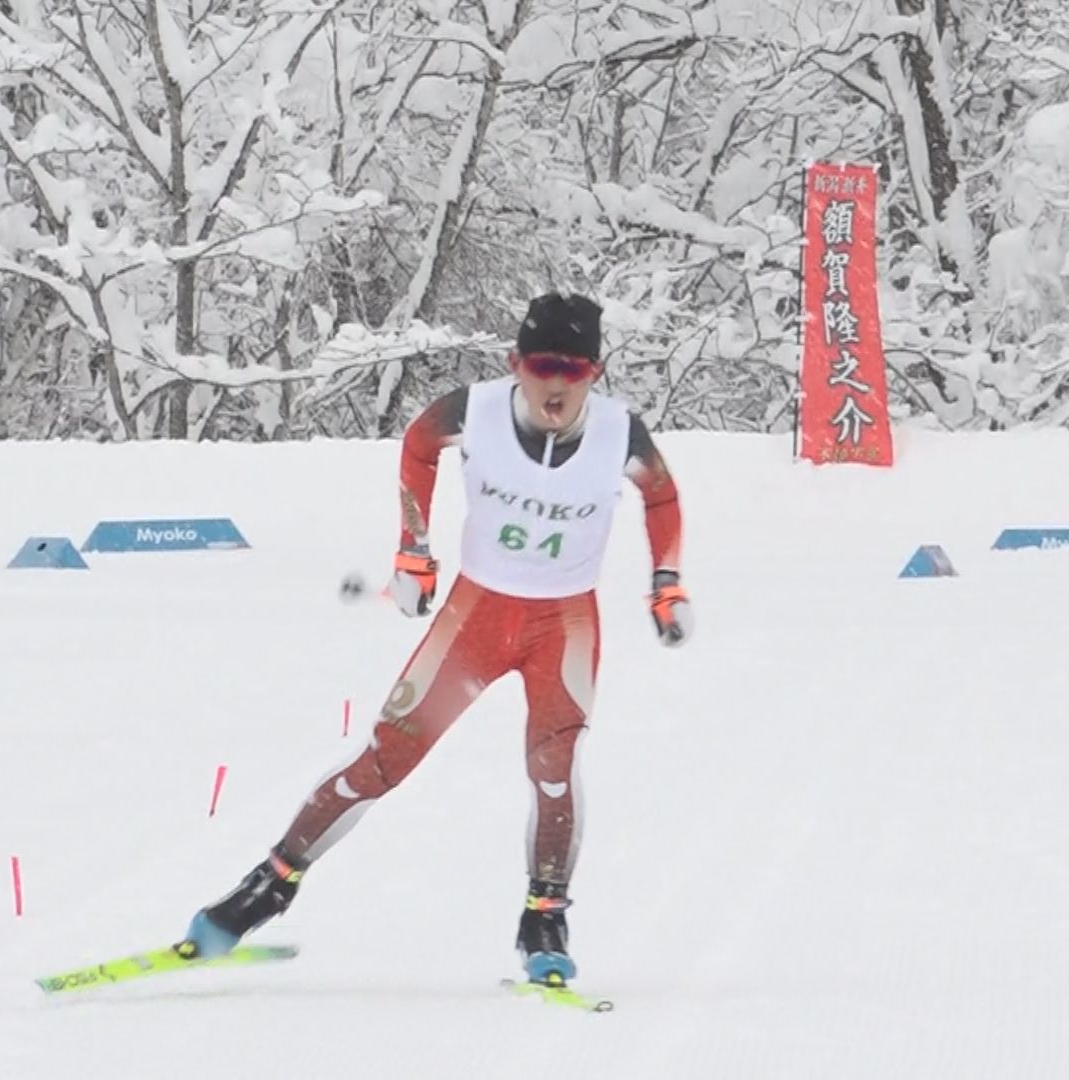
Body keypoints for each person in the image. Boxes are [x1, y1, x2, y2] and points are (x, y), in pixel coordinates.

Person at [180, 292, 689, 988]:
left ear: (595, 373)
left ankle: (545, 916)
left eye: (576, 370)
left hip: (563, 623)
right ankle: (269, 884)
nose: (558, 384)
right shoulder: (474, 411)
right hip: (476, 615)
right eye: (543, 366)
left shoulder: (619, 434)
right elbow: (419, 444)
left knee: (554, 767)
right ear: (517, 364)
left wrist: (666, 583)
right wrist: (412, 551)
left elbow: (661, 495)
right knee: (385, 760)